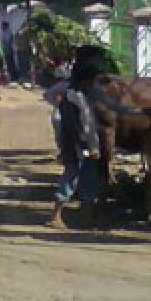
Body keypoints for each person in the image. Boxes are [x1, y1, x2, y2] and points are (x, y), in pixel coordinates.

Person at [49, 61, 105, 229]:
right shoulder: (76, 97)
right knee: (73, 179)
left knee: (86, 180)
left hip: (78, 146)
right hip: (79, 147)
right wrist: (89, 147)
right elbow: (81, 126)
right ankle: (56, 216)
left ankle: (85, 217)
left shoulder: (75, 95)